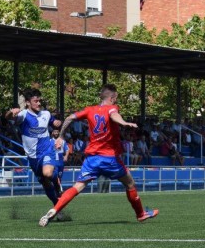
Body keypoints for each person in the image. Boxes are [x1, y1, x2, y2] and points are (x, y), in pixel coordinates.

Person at [38, 84, 159, 227]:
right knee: (130, 183)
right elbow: (114, 116)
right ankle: (140, 214)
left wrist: (62, 136)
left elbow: (70, 118)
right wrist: (124, 122)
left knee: (77, 187)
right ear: (112, 98)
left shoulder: (90, 110)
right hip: (110, 158)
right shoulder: (112, 108)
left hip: (92, 159)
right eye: (116, 98)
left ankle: (54, 210)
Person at [5, 88, 61, 206]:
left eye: (39, 101)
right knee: (45, 182)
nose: (39, 103)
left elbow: (53, 121)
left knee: (48, 173)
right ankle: (56, 204)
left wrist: (56, 122)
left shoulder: (46, 113)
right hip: (32, 156)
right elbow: (8, 117)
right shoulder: (23, 115)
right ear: (27, 102)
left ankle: (57, 184)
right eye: (36, 101)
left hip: (47, 150)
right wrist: (11, 112)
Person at [51, 129, 69, 196]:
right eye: (54, 132)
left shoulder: (62, 141)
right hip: (53, 161)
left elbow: (67, 149)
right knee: (55, 176)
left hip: (60, 161)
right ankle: (59, 190)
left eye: (57, 132)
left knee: (59, 176)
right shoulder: (50, 141)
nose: (56, 133)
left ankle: (57, 191)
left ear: (59, 133)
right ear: (52, 133)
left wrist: (66, 156)